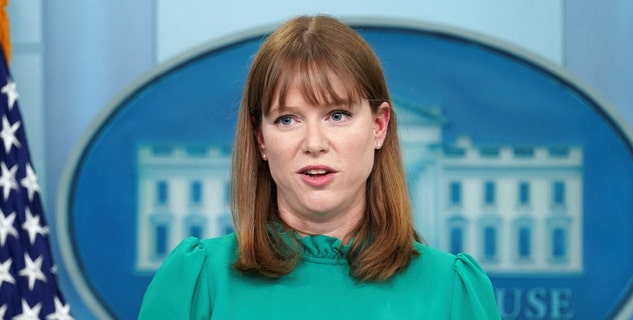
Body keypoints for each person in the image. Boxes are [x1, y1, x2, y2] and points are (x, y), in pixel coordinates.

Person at [138, 15, 500, 319]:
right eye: (287, 120)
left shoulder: (452, 291)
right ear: (261, 140)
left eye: (337, 115)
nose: (313, 143)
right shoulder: (196, 281)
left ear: (379, 127)